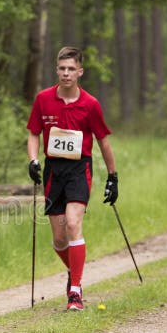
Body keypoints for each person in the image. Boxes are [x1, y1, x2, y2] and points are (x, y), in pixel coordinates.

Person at [26, 46, 118, 311]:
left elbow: (103, 141)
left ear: (80, 72)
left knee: (73, 223)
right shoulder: (43, 99)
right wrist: (33, 160)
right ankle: (74, 271)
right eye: (62, 68)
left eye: (71, 69)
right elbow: (34, 133)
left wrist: (113, 177)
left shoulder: (90, 104)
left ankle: (75, 291)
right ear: (57, 70)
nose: (66, 74)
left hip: (79, 169)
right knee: (58, 238)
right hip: (54, 170)